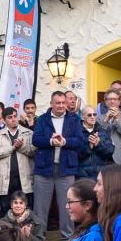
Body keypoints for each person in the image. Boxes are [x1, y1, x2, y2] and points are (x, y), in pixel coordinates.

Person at [31, 90, 86, 233]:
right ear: (51, 104)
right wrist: (51, 141)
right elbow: (35, 139)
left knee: (67, 205)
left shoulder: (74, 120)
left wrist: (65, 141)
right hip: (44, 169)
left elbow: (80, 141)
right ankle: (38, 238)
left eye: (63, 103)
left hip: (66, 169)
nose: (61, 106)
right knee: (40, 206)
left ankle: (67, 238)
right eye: (58, 103)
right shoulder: (42, 119)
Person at [0, 106, 35, 214]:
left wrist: (21, 147)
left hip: (24, 178)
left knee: (26, 208)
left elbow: (33, 151)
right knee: (6, 208)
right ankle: (7, 230)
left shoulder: (28, 133)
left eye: (15, 116)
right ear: (4, 120)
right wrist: (12, 148)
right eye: (10, 117)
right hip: (6, 179)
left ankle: (25, 230)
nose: (14, 119)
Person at [98, 88, 121, 167]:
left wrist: (117, 119)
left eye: (115, 99)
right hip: (104, 156)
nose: (112, 101)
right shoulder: (99, 117)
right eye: (110, 99)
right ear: (105, 101)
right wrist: (106, 120)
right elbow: (99, 134)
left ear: (119, 101)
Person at [80, 106, 112, 178]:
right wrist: (89, 146)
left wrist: (98, 144)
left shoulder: (101, 131)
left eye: (94, 114)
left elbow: (110, 151)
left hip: (99, 174)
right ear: (82, 117)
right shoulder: (77, 131)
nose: (92, 117)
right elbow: (75, 153)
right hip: (82, 174)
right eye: (89, 115)